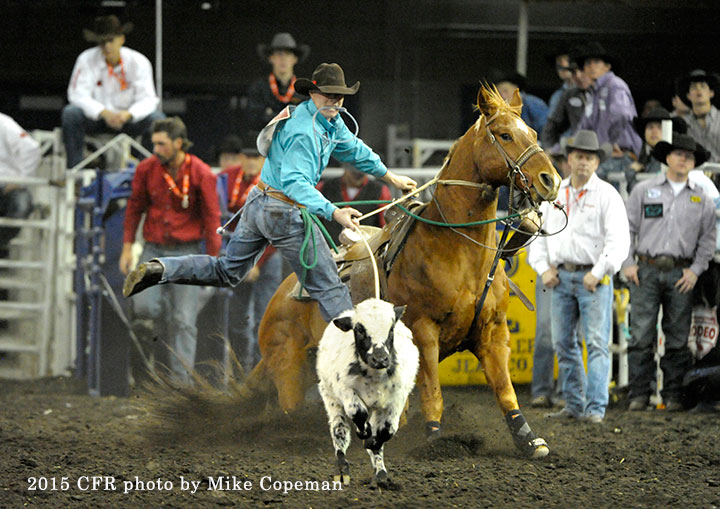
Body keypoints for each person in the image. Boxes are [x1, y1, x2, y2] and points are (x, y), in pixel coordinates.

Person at [123, 63, 416, 327]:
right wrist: (334, 212)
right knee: (329, 286)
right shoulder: (305, 132)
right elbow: (295, 183)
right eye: (329, 95)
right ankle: (361, 348)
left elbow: (353, 148)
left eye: (340, 96)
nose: (336, 101)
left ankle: (161, 269)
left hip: (259, 203)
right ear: (313, 93)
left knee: (227, 271)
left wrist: (390, 176)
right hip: (284, 211)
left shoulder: (324, 118)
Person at [528, 130, 630, 424]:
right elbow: (538, 235)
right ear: (569, 160)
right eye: (579, 156)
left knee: (595, 343)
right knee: (563, 343)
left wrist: (598, 272)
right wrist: (543, 268)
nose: (584, 162)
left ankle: (594, 408)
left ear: (596, 162)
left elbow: (618, 242)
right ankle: (575, 404)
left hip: (591, 278)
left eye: (589, 157)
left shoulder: (607, 195)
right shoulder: (554, 194)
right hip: (561, 276)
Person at [119, 117, 221, 384]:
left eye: (161, 144)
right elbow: (134, 208)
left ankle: (181, 384)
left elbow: (212, 217)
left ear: (178, 143)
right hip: (153, 248)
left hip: (187, 252)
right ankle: (148, 373)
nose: (156, 149)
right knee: (144, 307)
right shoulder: (146, 169)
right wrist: (127, 248)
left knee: (184, 320)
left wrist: (214, 260)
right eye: (154, 144)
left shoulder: (201, 173)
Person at [622, 133, 717, 411]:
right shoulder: (643, 190)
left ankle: (674, 395)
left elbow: (708, 241)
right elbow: (626, 229)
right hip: (645, 268)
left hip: (681, 273)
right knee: (641, 334)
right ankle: (639, 395)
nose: (683, 159)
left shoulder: (702, 199)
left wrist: (695, 271)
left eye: (688, 156)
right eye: (678, 154)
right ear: (667, 158)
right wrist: (628, 262)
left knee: (677, 336)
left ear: (694, 163)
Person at [62, 15, 164, 169]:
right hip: (98, 119)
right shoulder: (86, 59)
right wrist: (103, 112)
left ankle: (148, 171)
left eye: (110, 40)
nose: (106, 46)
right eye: (102, 42)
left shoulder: (139, 62)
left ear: (121, 39)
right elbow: (77, 94)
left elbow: (148, 99)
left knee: (157, 120)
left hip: (128, 119)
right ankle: (75, 169)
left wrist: (128, 114)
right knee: (71, 114)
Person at [216, 136, 282, 371]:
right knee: (237, 320)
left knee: (264, 319)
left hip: (267, 255)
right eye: (247, 157)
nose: (252, 162)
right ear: (240, 158)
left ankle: (260, 374)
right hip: (237, 254)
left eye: (257, 157)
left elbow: (276, 228)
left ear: (264, 160)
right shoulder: (227, 178)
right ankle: (239, 374)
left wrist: (256, 262)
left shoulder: (275, 181)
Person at [573, 42, 642, 156]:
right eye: (588, 63)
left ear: (607, 66)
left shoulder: (615, 85)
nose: (592, 66)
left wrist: (611, 142)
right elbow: (584, 126)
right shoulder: (593, 93)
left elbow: (622, 114)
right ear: (584, 69)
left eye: (596, 62)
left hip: (622, 151)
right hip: (605, 152)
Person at [245, 33, 310, 138]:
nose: (283, 59)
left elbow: (306, 120)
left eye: (288, 54)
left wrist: (270, 115)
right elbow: (254, 119)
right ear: (271, 58)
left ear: (295, 59)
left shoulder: (303, 90)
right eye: (279, 54)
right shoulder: (258, 88)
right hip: (264, 141)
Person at [316, 162, 392, 244]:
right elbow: (314, 221)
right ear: (345, 168)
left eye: (361, 173)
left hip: (365, 248)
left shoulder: (380, 190)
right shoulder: (324, 187)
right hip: (328, 247)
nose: (358, 176)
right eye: (354, 172)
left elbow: (385, 226)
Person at [0, 113, 41, 247]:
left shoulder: (4, 123)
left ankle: (1, 242)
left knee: (21, 206)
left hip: (7, 184)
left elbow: (31, 148)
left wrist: (21, 180)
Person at [624, 107, 687, 192]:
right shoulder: (645, 158)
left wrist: (631, 172)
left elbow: (645, 192)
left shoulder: (674, 159)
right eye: (650, 127)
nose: (654, 131)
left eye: (660, 127)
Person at [540, 63, 593, 151]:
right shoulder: (570, 94)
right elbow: (552, 126)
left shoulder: (609, 92)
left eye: (582, 71)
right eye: (574, 72)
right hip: (577, 147)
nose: (578, 76)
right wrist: (549, 149)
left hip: (605, 148)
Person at [679, 70, 720, 163]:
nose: (699, 90)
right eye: (694, 87)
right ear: (688, 95)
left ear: (711, 93)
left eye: (703, 86)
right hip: (693, 171)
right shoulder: (682, 124)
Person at [547, 52, 575, 118]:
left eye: (567, 60)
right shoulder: (557, 96)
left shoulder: (589, 91)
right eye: (558, 62)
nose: (562, 64)